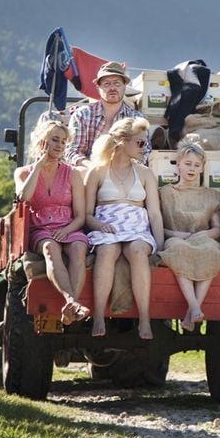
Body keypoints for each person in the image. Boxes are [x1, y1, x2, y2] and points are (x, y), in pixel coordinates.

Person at [84, 117, 164, 340]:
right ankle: (98, 316)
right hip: (106, 226)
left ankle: (145, 318)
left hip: (137, 227)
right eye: (140, 143)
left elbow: (155, 214)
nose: (144, 148)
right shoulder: (97, 172)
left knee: (138, 251)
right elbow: (87, 215)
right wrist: (99, 225)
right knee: (107, 250)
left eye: (145, 143)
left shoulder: (145, 173)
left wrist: (160, 245)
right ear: (121, 141)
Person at [14, 119, 90, 325]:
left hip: (69, 226)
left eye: (64, 141)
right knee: (50, 248)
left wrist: (67, 230)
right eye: (54, 139)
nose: (59, 145)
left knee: (78, 249)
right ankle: (72, 301)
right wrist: (38, 167)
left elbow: (81, 216)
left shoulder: (72, 174)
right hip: (41, 228)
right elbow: (24, 198)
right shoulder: (23, 172)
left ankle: (71, 306)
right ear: (42, 141)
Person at [158, 143, 220, 332]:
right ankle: (194, 307)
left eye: (197, 165)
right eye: (188, 164)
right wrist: (179, 234)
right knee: (179, 249)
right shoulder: (166, 192)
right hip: (176, 238)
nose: (192, 169)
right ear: (178, 164)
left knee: (212, 251)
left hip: (203, 239)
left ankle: (192, 310)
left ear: (203, 168)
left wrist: (206, 234)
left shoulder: (211, 195)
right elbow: (159, 226)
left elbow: (217, 228)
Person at [64, 61, 150, 168]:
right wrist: (94, 169)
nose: (112, 88)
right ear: (98, 88)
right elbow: (73, 151)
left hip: (126, 177)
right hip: (89, 175)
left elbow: (144, 153)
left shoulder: (136, 119)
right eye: (106, 84)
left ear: (124, 86)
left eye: (117, 83)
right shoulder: (82, 115)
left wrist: (125, 171)